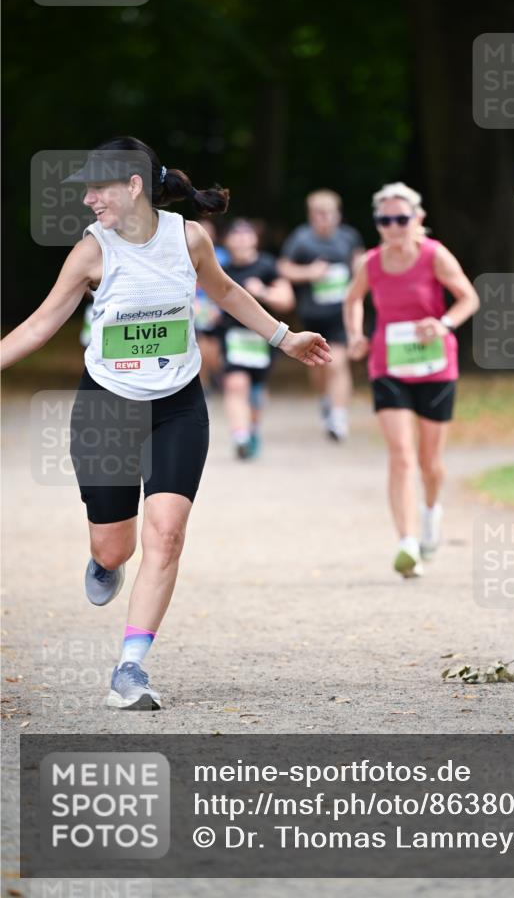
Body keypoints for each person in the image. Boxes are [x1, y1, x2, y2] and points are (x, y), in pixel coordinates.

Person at [0, 137, 330, 710]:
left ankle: (130, 668)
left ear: (133, 186)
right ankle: (105, 560)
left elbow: (225, 291)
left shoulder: (189, 238)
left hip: (177, 405)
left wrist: (285, 337)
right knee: (114, 548)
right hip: (107, 406)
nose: (88, 200)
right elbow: (39, 325)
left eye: (97, 188)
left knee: (168, 534)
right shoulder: (91, 253)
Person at [344, 182, 479, 577]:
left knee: (430, 461)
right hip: (389, 366)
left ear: (417, 218)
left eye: (401, 218)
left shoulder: (434, 256)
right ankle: (406, 543)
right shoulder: (370, 262)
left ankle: (431, 513)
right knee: (401, 455)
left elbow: (468, 297)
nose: (393, 226)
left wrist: (444, 324)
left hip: (435, 366)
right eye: (385, 220)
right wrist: (355, 335)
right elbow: (352, 299)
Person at [278, 189, 364, 441]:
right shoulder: (301, 239)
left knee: (337, 362)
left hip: (341, 314)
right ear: (311, 216)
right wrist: (309, 273)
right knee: (318, 367)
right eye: (318, 215)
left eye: (328, 214)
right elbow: (283, 268)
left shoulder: (349, 237)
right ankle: (326, 399)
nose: (323, 219)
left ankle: (338, 418)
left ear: (337, 215)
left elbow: (361, 265)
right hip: (312, 315)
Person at [220, 217, 294, 458]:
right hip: (232, 337)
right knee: (235, 384)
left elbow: (286, 300)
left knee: (256, 393)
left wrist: (261, 292)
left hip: (263, 338)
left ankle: (251, 429)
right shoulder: (221, 269)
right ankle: (239, 436)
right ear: (227, 240)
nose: (241, 238)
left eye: (246, 233)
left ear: (255, 238)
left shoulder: (267, 266)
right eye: (235, 234)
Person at [193, 215, 228, 393]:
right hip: (195, 307)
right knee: (199, 349)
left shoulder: (223, 256)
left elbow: (227, 286)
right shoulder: (185, 254)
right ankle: (204, 387)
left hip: (215, 307)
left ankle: (218, 376)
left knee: (213, 352)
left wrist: (218, 308)